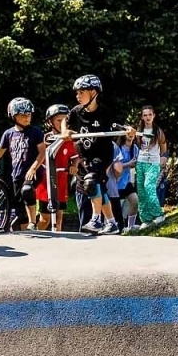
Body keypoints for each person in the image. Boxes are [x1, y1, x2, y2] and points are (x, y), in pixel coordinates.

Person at [67, 74, 118, 235]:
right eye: (77, 93)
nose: (78, 96)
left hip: (102, 156)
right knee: (98, 190)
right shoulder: (77, 112)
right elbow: (65, 122)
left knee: (91, 183)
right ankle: (112, 223)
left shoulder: (105, 113)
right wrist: (65, 131)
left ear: (94, 92)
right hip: (85, 158)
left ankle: (96, 220)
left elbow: (119, 126)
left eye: (81, 92)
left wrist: (129, 131)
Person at [0, 98, 42, 231]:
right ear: (13, 116)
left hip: (33, 172)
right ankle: (27, 233)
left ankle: (33, 223)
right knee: (19, 208)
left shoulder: (35, 132)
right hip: (16, 174)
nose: (27, 117)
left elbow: (42, 153)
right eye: (23, 115)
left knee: (27, 191)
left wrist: (33, 168)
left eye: (29, 114)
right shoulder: (9, 134)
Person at [32, 105, 76, 231]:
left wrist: (74, 165)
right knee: (45, 217)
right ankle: (38, 234)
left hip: (61, 181)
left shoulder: (69, 140)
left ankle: (58, 239)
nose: (62, 124)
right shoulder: (47, 137)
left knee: (59, 216)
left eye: (65, 120)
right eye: (58, 120)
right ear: (50, 122)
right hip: (47, 181)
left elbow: (75, 156)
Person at [134, 105, 168, 228]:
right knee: (141, 191)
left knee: (149, 186)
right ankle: (146, 219)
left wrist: (163, 159)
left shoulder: (158, 131)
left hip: (153, 163)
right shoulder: (139, 131)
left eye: (150, 114)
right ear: (142, 117)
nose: (147, 117)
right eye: (145, 115)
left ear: (153, 116)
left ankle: (158, 214)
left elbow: (164, 148)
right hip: (141, 162)